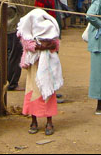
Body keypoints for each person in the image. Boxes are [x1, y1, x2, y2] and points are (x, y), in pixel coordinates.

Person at [17, 8, 63, 136]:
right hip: (34, 66)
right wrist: (40, 46)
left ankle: (49, 121)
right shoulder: (27, 33)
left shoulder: (51, 30)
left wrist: (46, 46)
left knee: (48, 91)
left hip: (48, 66)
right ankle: (34, 120)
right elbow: (27, 45)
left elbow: (55, 45)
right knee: (33, 91)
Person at [5, 0, 26, 91]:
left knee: (6, 55)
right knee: (16, 55)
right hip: (14, 28)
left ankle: (5, 79)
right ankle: (13, 82)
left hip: (3, 27)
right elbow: (22, 9)